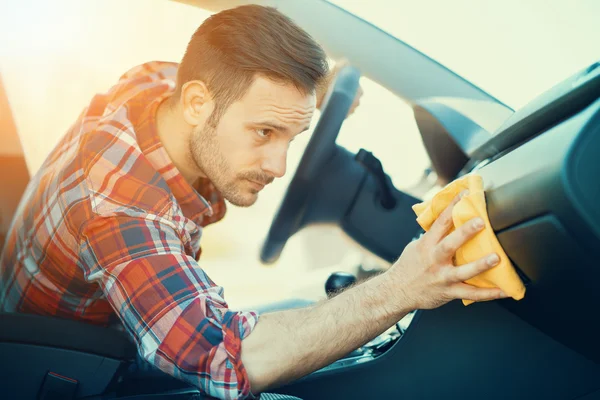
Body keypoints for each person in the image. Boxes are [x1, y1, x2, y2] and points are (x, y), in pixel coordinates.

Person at [0, 4, 507, 400]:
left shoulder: (160, 89)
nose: (280, 165)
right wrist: (402, 286)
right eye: (264, 131)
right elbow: (227, 359)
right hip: (72, 369)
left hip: (112, 332)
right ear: (198, 103)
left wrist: (317, 90)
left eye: (294, 134)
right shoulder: (120, 208)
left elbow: (230, 74)